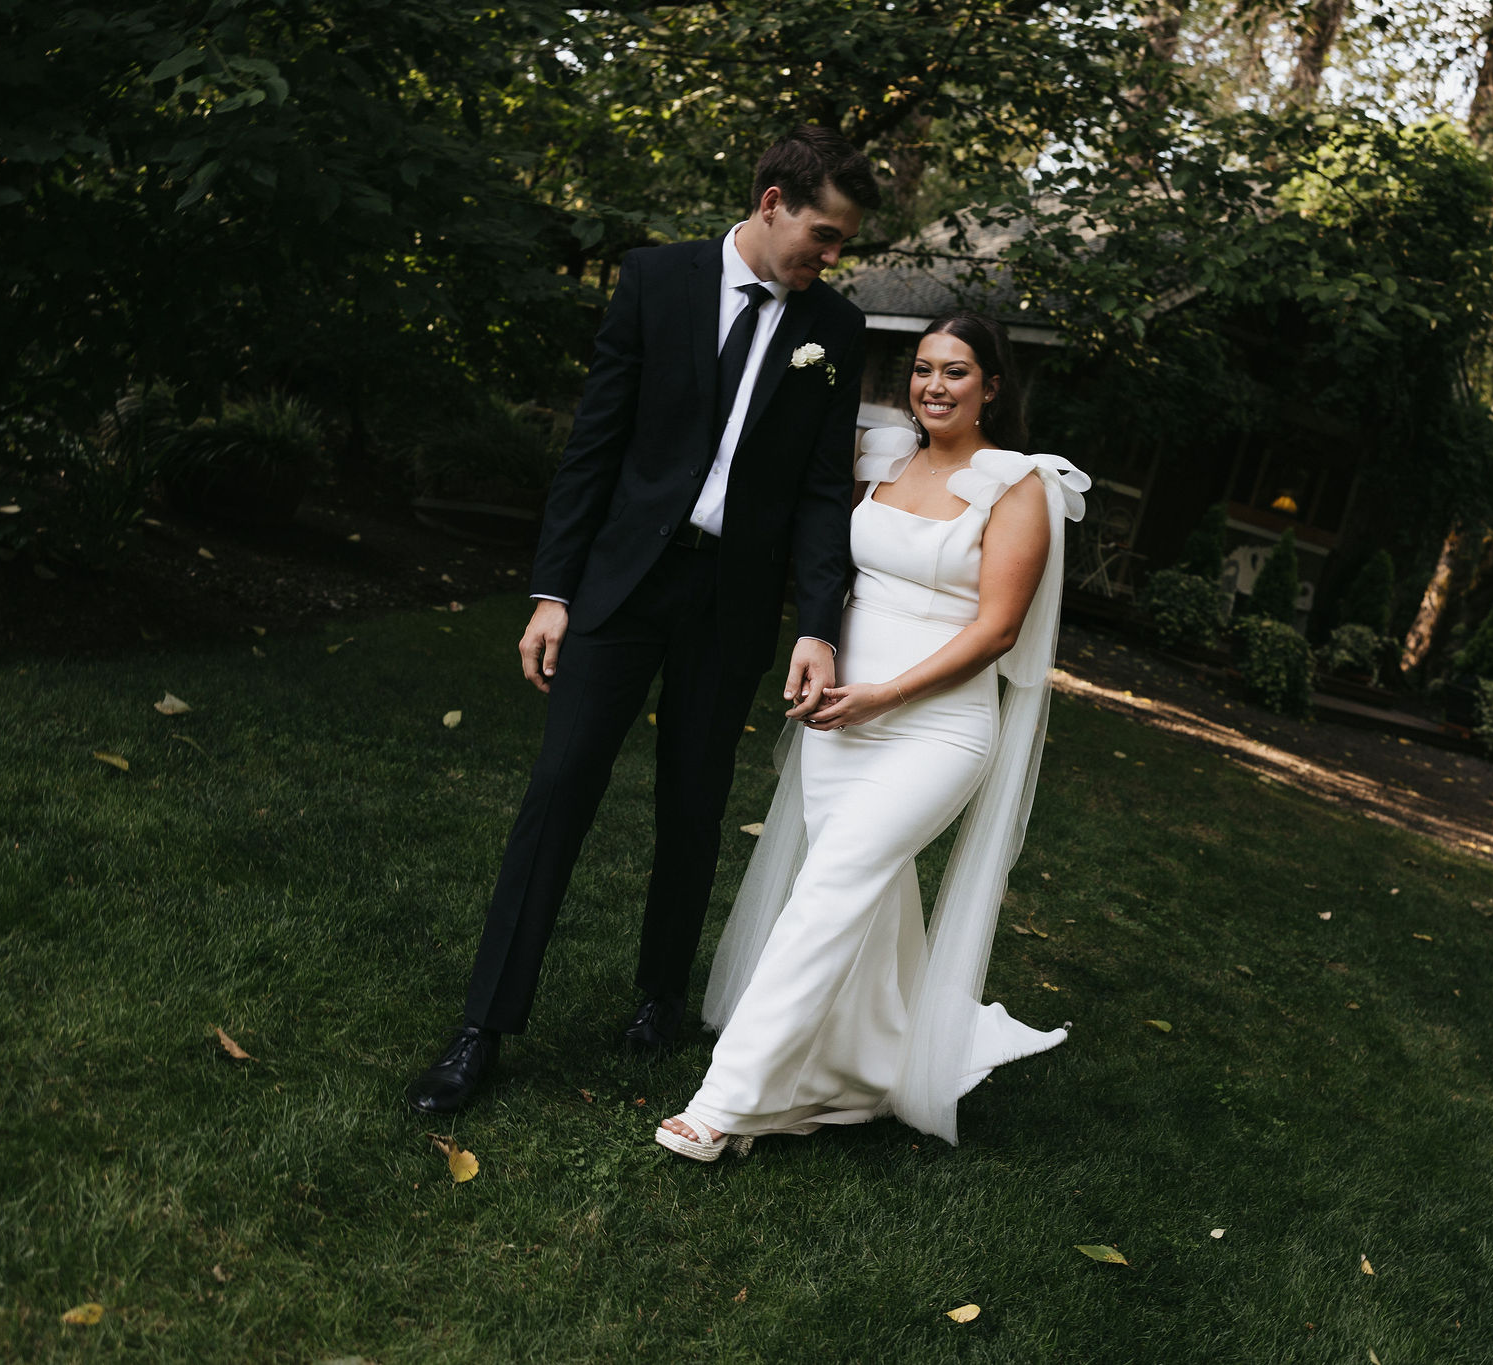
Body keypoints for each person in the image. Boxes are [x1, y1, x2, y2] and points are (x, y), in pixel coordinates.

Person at [405, 127, 881, 1115]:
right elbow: (594, 447)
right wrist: (552, 591)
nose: (830, 257)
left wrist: (815, 622)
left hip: (731, 602)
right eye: (823, 234)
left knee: (694, 802)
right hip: (624, 586)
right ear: (770, 203)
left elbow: (822, 488)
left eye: (840, 243)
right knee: (560, 788)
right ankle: (480, 1026)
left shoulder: (833, 329)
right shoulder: (654, 282)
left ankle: (659, 993)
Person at [656, 312, 1089, 1159]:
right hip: (841, 714)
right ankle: (861, 1066)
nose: (934, 385)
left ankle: (725, 1102)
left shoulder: (1022, 485)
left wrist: (884, 694)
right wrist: (821, 653)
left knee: (830, 892)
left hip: (935, 728)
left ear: (992, 386)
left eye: (957, 372)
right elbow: (821, 551)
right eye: (923, 368)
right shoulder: (884, 458)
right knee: (862, 895)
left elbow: (997, 631)